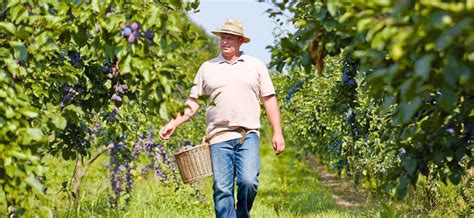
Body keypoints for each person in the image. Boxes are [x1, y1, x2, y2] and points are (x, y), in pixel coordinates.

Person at [159, 19, 285, 218]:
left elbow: (269, 99)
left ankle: (242, 214)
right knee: (222, 188)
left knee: (248, 181)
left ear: (240, 41)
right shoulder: (207, 68)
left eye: (230, 38)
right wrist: (173, 123)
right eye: (222, 37)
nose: (225, 42)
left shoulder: (255, 65)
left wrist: (277, 132)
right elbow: (193, 102)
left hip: (248, 134)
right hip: (218, 136)